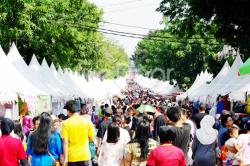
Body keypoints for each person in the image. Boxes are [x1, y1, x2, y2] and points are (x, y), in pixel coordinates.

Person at [62, 100, 95, 166]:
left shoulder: (65, 123)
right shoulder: (87, 121)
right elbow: (92, 139)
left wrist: (65, 159)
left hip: (72, 157)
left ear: (68, 111)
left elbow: (65, 142)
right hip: (85, 155)